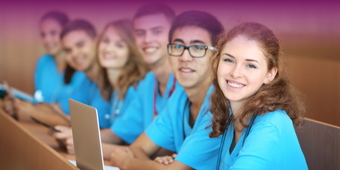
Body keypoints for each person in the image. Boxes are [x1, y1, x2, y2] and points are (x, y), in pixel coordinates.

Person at [110, 10, 224, 170]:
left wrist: (126, 163)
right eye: (178, 46)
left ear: (217, 56)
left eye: (198, 47)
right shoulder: (179, 98)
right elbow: (136, 148)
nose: (185, 57)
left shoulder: (221, 106)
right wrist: (150, 166)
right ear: (169, 54)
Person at [209, 22, 308, 169]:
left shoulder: (270, 125)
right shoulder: (232, 117)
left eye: (251, 65)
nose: (235, 73)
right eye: (229, 60)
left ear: (270, 74)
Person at [53, 19, 150, 157]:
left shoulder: (136, 88)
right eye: (105, 41)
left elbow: (121, 139)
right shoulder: (113, 88)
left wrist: (82, 141)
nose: (108, 49)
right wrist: (74, 136)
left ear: (132, 51)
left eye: (119, 45)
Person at [100, 3, 179, 148]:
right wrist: (80, 138)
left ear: (174, 35)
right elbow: (119, 132)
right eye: (140, 33)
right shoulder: (148, 81)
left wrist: (88, 145)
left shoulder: (186, 81)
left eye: (157, 32)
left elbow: (171, 149)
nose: (147, 40)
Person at [3, 12, 86, 126]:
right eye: (43, 35)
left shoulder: (82, 68)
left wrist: (31, 112)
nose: (47, 40)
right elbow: (38, 100)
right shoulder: (43, 62)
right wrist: (18, 106)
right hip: (39, 125)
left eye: (53, 33)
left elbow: (76, 117)